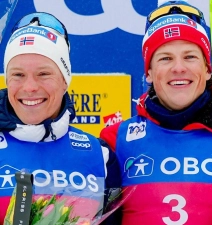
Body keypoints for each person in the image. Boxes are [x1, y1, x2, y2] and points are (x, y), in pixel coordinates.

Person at [100, 1, 212, 224]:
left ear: (208, 69)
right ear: (149, 73)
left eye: (190, 56)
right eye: (165, 58)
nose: (179, 68)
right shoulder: (115, 140)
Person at [0, 12, 121, 224]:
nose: (30, 87)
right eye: (18, 75)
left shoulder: (99, 156)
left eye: (44, 74)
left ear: (65, 80)